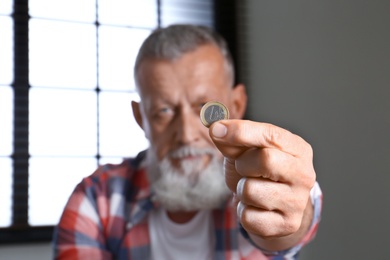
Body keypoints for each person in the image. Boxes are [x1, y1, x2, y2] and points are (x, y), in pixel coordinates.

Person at [53, 24, 322, 260]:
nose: (185, 133)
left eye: (203, 107)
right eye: (163, 111)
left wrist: (289, 212)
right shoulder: (97, 198)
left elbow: (289, 231)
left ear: (236, 104)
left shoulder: (260, 176)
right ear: (140, 118)